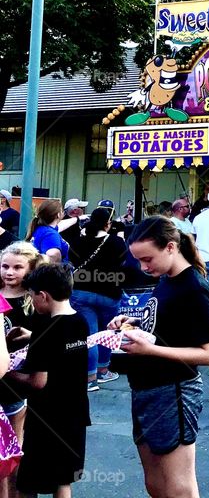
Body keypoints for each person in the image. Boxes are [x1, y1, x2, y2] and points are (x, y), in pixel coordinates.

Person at [108, 216, 209, 498]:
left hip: (174, 390)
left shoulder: (193, 287)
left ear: (171, 247)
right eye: (139, 261)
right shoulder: (167, 279)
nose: (144, 267)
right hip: (148, 388)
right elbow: (168, 328)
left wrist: (152, 351)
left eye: (148, 259)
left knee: (178, 487)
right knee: (155, 482)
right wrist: (131, 323)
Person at [9, 263, 89, 498]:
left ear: (43, 295)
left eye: (32, 296)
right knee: (63, 479)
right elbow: (62, 346)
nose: (32, 301)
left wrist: (6, 371)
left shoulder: (45, 330)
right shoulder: (79, 321)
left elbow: (37, 382)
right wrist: (31, 335)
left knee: (28, 481)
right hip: (75, 414)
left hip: (47, 418)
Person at [0, 241, 43, 498]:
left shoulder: (33, 300)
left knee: (13, 452)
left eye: (17, 267)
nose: (9, 272)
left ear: (30, 270)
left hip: (15, 385)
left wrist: (29, 338)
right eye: (5, 266)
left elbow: (46, 335)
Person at [70, 207, 128, 391]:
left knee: (90, 336)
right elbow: (123, 263)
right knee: (108, 331)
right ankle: (104, 370)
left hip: (81, 292)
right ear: (107, 223)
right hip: (109, 293)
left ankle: (90, 378)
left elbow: (72, 261)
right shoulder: (117, 242)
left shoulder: (78, 241)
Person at [25, 199, 70, 264]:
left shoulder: (39, 228)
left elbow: (62, 225)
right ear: (58, 214)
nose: (63, 213)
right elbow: (53, 254)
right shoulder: (50, 234)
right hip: (49, 272)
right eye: (62, 211)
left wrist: (78, 218)